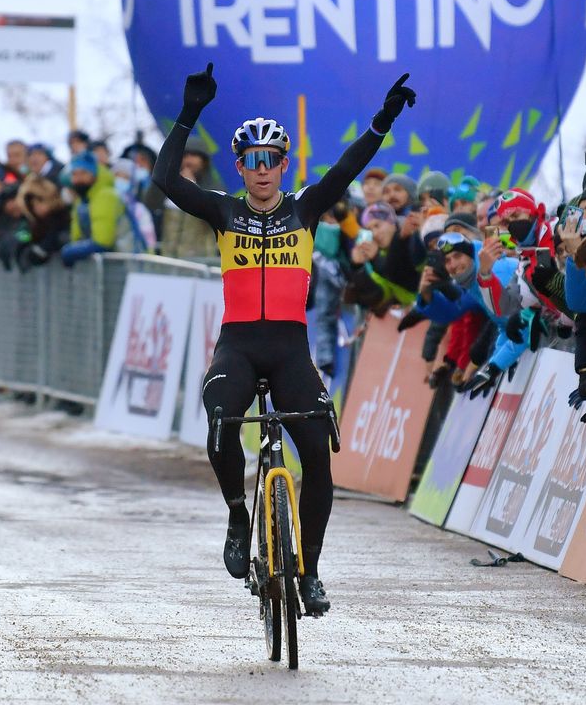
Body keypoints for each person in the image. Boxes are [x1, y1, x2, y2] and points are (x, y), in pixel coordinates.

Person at [151, 63, 415, 616]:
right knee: (221, 421)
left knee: (318, 454)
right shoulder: (223, 209)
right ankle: (236, 515)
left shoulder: (306, 207)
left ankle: (312, 571)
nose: (263, 170)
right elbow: (166, 182)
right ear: (241, 167)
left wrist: (382, 120)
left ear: (283, 165)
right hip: (239, 346)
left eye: (272, 160)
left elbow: (349, 165)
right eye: (253, 161)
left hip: (291, 348)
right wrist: (189, 113)